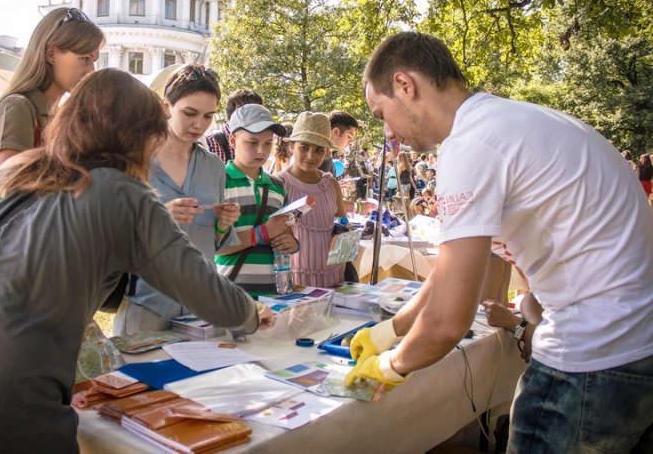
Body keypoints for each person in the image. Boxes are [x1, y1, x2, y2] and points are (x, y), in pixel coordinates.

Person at [0, 68, 273, 453]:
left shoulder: (17, 170)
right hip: (15, 395)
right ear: (138, 136)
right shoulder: (126, 195)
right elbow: (201, 287)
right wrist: (250, 314)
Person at [346, 31, 653, 452]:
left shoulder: (470, 144)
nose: (390, 135)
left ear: (405, 84)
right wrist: (390, 330)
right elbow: (450, 277)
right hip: (634, 348)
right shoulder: (506, 123)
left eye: (381, 115)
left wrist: (389, 366)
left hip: (591, 358)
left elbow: (449, 322)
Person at [113, 63, 245, 335]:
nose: (199, 124)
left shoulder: (214, 167)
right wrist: (159, 216)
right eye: (190, 113)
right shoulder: (132, 160)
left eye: (208, 116)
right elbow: (110, 235)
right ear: (166, 107)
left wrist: (224, 223)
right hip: (147, 305)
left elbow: (216, 244)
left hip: (201, 308)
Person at [0, 7, 104, 170]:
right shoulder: (18, 106)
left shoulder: (62, 116)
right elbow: (6, 187)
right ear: (51, 54)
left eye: (94, 60)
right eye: (84, 59)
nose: (91, 71)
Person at [215, 104, 298, 294]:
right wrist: (261, 234)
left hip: (274, 295)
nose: (261, 151)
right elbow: (213, 246)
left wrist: (292, 244)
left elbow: (285, 231)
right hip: (229, 295)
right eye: (252, 142)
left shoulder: (278, 186)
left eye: (268, 143)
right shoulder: (218, 181)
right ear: (233, 141)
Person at [276, 112, 346, 287]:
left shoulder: (331, 184)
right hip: (297, 278)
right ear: (291, 146)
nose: (310, 156)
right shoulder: (279, 184)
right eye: (304, 147)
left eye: (319, 150)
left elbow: (343, 224)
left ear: (327, 152)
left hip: (333, 277)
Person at [205, 88, 264, 164]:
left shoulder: (256, 141)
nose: (259, 118)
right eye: (256, 112)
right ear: (239, 110)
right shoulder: (209, 145)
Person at [318, 110, 359, 175]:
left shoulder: (326, 154)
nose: (351, 142)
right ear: (335, 132)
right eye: (349, 136)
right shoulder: (320, 157)